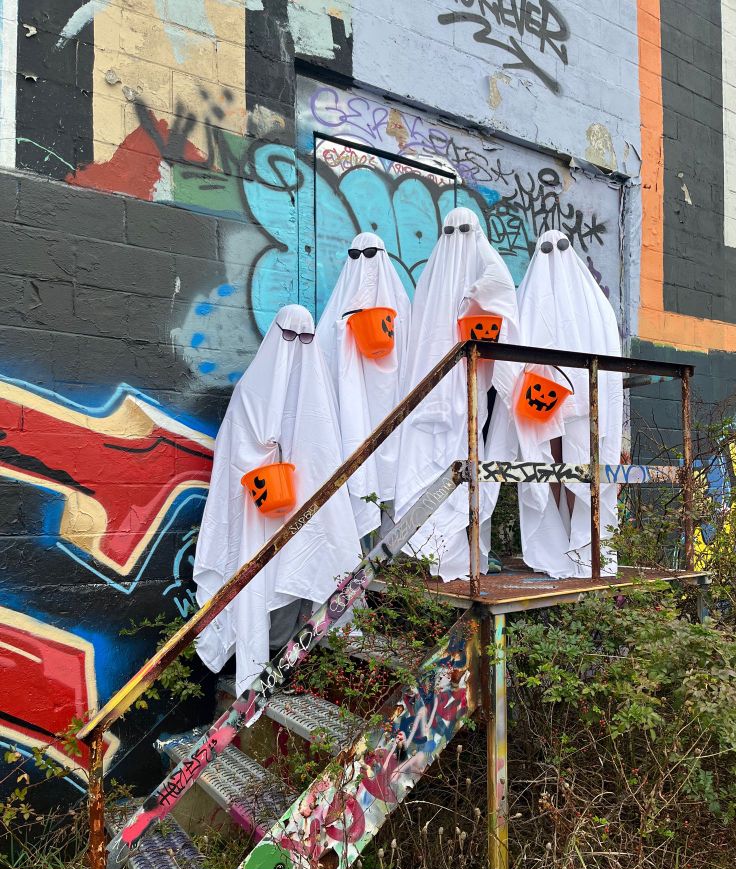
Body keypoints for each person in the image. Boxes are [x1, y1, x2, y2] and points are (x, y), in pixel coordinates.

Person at [192, 305, 362, 694]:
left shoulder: (317, 397)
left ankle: (290, 663)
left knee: (297, 574)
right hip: (259, 509)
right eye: (289, 336)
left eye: (305, 339)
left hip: (301, 506)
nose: (296, 347)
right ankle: (264, 660)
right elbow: (235, 449)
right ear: (274, 337)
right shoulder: (249, 393)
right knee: (262, 579)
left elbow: (322, 453)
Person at [395, 207, 520, 581]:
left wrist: (475, 293)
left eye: (464, 230)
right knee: (436, 462)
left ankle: (457, 556)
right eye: (451, 231)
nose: (458, 240)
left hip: (469, 387)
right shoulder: (432, 281)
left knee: (462, 460)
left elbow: (500, 287)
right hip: (431, 392)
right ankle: (440, 555)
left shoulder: (470, 268)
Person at [508, 230, 623, 578]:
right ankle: (559, 547)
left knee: (577, 470)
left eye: (559, 249)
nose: (553, 259)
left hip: (581, 406)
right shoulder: (582, 303)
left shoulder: (593, 306)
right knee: (551, 468)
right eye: (547, 251)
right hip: (545, 403)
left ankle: (584, 549)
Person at [316, 233, 411, 540]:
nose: (363, 262)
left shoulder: (400, 307)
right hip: (352, 407)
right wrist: (347, 327)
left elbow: (410, 352)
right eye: (355, 255)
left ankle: (392, 546)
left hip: (392, 404)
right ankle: (357, 543)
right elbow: (324, 356)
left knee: (392, 468)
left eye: (370, 254)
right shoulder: (337, 312)